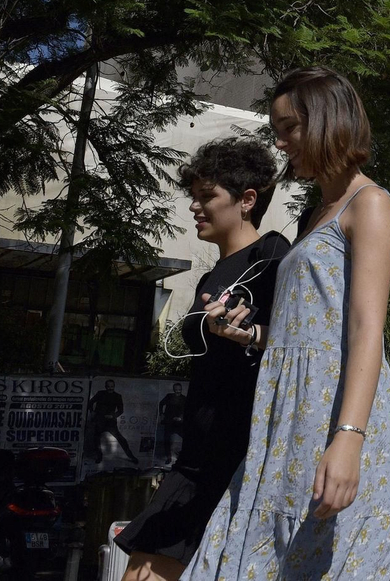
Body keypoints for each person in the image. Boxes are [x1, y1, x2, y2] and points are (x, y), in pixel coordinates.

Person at [184, 67, 390, 581]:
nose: (280, 144)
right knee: (233, 557)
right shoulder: (317, 214)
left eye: (289, 128)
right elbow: (311, 329)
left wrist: (349, 439)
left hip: (335, 418)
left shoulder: (369, 204)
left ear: (326, 121)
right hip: (285, 418)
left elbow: (366, 328)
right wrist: (252, 334)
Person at [117, 137, 288, 581]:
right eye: (194, 197)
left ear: (247, 200)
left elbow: (299, 342)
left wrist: (249, 333)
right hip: (197, 454)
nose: (195, 207)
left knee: (143, 572)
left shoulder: (273, 256)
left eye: (207, 196)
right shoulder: (212, 275)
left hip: (239, 455)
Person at [88, 379, 140, 466]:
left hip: (110, 422)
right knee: (96, 439)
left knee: (121, 439)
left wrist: (113, 416)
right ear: (105, 387)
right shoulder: (100, 393)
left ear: (114, 386)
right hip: (99, 420)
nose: (110, 388)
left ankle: (131, 456)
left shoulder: (117, 396)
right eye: (108, 386)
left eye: (112, 386)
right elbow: (91, 402)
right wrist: (92, 411)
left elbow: (121, 410)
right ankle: (99, 456)